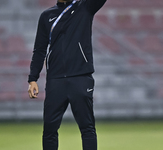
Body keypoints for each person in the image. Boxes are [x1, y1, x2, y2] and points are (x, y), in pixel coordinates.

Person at [28, 0, 107, 150]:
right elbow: (39, 50)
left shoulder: (85, 7)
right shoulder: (46, 16)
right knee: (49, 130)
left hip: (81, 77)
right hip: (55, 81)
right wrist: (33, 79)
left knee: (87, 128)